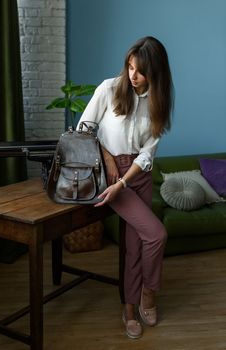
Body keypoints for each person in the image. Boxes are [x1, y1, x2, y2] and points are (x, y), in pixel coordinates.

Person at [77, 36, 174, 339]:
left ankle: (131, 305)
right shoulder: (108, 89)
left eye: (140, 70)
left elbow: (148, 153)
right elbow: (83, 130)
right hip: (109, 173)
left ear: (155, 73)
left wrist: (124, 181)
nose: (132, 75)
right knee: (157, 233)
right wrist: (108, 161)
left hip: (137, 175)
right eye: (130, 66)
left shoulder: (159, 103)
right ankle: (146, 295)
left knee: (137, 244)